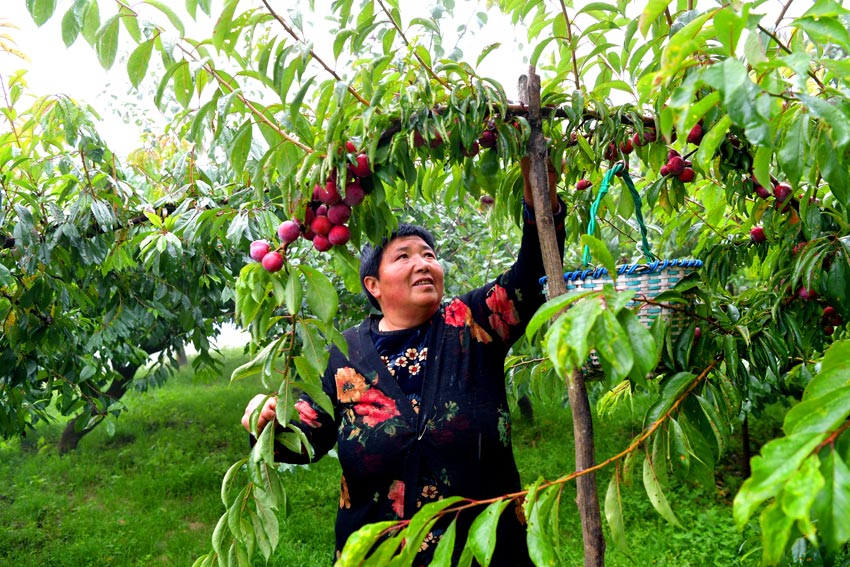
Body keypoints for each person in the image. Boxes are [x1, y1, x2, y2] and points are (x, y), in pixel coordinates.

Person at [242, 155, 566, 566]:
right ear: (373, 285)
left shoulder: (471, 323)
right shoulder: (341, 353)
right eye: (404, 257)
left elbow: (532, 277)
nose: (423, 263)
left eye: (429, 255)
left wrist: (540, 200)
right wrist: (266, 421)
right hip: (380, 554)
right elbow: (305, 440)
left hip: (485, 550)